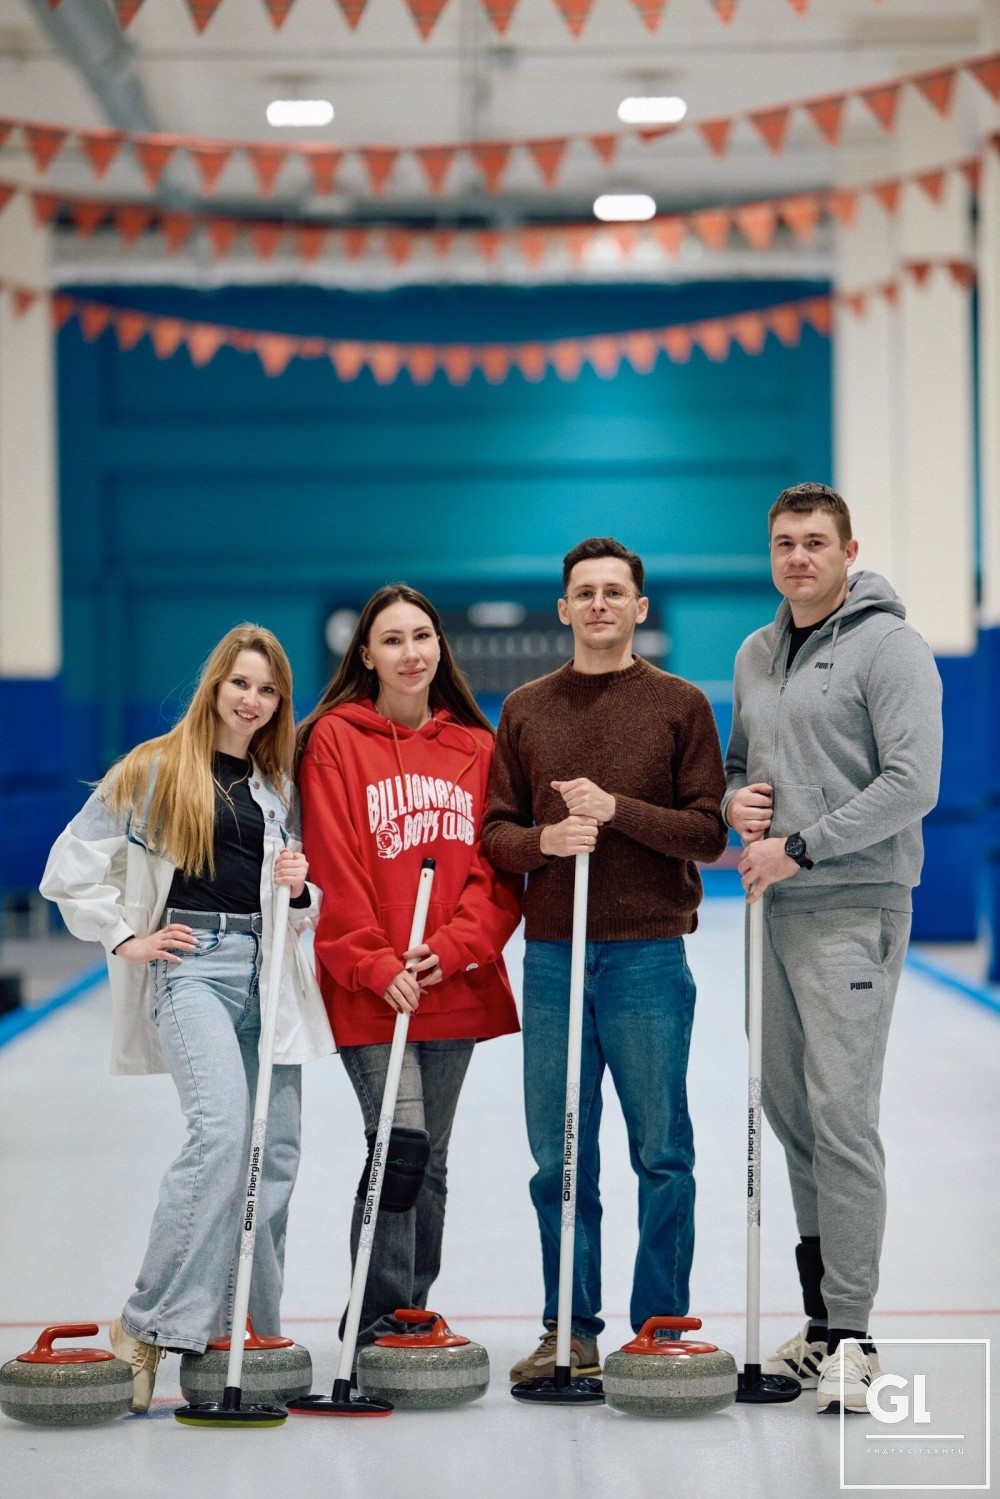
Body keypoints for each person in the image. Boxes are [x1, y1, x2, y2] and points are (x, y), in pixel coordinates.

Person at [40, 624, 334, 1413]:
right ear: (214, 685)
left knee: (274, 1153)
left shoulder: (276, 788)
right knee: (222, 1131)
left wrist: (299, 888)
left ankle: (248, 1333)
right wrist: (125, 936)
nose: (252, 699)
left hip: (265, 971)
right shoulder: (153, 769)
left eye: (268, 690)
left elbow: (298, 908)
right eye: (241, 683)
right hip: (191, 965)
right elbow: (68, 865)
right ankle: (144, 1324)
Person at [481, 537, 728, 1380]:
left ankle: (659, 1324)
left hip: (648, 957)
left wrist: (617, 809)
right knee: (560, 1157)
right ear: (563, 609)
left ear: (639, 607)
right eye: (584, 592)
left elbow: (708, 831)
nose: (598, 604)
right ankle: (569, 1329)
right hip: (554, 958)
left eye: (614, 592)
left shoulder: (681, 705)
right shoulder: (526, 708)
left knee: (661, 1151)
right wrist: (546, 841)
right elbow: (496, 832)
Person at [724, 482, 942, 1414]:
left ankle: (854, 1334)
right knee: (793, 1114)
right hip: (772, 908)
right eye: (784, 542)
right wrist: (736, 801)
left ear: (849, 552)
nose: (798, 557)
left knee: (842, 1118)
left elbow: (914, 781)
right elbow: (742, 765)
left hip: (852, 905)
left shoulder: (892, 647)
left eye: (816, 541)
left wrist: (804, 845)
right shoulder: (756, 652)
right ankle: (820, 1327)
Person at [296, 585, 521, 1354]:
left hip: (449, 980)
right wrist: (372, 960)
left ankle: (412, 1314)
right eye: (392, 639)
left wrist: (454, 946)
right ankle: (377, 1317)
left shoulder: (477, 747)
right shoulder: (333, 739)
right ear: (365, 654)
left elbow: (497, 873)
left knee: (433, 1161)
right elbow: (332, 862)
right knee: (401, 1143)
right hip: (371, 985)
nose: (411, 652)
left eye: (422, 635)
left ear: (440, 647)